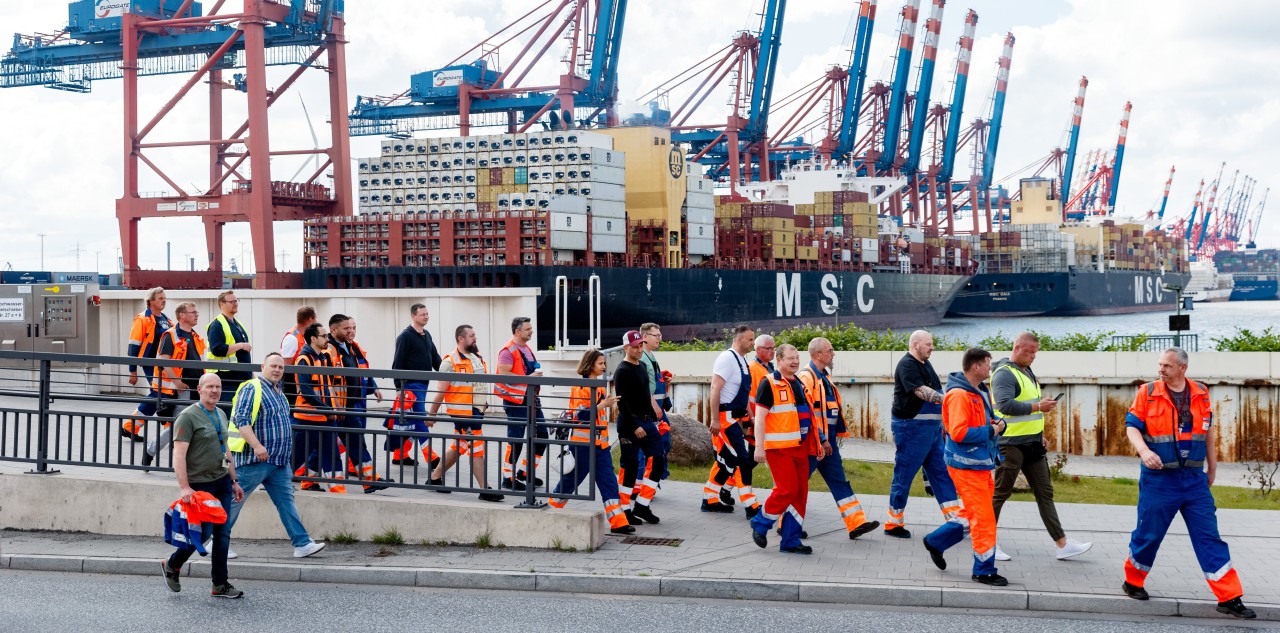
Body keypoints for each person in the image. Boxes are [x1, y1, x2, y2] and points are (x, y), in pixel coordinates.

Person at [1120, 348, 1256, 619]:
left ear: (1182, 368)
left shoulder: (1200, 393)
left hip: (1194, 480)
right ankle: (1133, 581)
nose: (1161, 369)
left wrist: (1213, 468)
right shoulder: (1147, 392)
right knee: (1149, 534)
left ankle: (1229, 597)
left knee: (1209, 536)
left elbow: (1207, 432)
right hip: (1159, 480)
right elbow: (1132, 426)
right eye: (1159, 364)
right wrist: (1144, 452)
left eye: (1167, 366)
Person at [990, 332, 1091, 561]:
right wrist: (1038, 406)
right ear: (1017, 347)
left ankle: (1062, 544)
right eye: (1030, 352)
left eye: (1036, 352)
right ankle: (986, 542)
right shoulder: (1004, 373)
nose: (1034, 356)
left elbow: (1029, 408)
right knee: (1000, 494)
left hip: (1032, 443)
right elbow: (1005, 405)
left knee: (1045, 493)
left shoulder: (1026, 370)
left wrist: (1040, 433)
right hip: (1010, 444)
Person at [224, 353, 326, 559]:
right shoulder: (253, 388)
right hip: (255, 460)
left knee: (286, 502)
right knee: (234, 501)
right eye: (273, 366)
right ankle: (215, 542)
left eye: (281, 367)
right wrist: (257, 446)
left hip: (278, 462)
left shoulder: (278, 391)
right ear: (263, 366)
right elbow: (241, 419)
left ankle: (302, 543)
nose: (277, 370)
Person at [921, 348, 1008, 587]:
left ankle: (936, 542)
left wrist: (996, 424)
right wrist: (992, 430)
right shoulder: (960, 395)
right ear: (976, 367)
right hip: (967, 466)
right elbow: (958, 433)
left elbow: (977, 423)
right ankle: (983, 570)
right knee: (984, 519)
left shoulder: (978, 391)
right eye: (988, 364)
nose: (991, 369)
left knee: (973, 515)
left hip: (979, 463)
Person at [159, 373, 245, 598]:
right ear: (199, 389)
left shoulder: (220, 413)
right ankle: (172, 564)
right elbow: (178, 455)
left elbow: (225, 449)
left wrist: (234, 481)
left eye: (218, 387)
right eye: (210, 387)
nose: (214, 391)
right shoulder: (187, 417)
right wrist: (185, 488)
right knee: (203, 533)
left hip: (222, 482)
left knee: (223, 534)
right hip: (199, 486)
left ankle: (220, 584)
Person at [797, 337, 880, 540]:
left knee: (840, 481)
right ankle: (786, 524)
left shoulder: (823, 377)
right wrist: (823, 439)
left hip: (827, 442)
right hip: (814, 442)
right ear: (818, 354)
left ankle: (856, 523)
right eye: (830, 350)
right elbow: (808, 413)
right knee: (798, 484)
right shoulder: (807, 378)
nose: (833, 353)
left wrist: (829, 439)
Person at [885, 330, 961, 538]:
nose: (932, 347)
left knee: (942, 474)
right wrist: (950, 401)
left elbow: (935, 391)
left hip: (932, 431)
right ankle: (894, 522)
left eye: (932, 343)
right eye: (928, 344)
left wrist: (944, 423)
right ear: (915, 344)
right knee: (905, 474)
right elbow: (921, 391)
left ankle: (955, 520)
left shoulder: (926, 363)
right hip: (912, 430)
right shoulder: (907, 364)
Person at [548, 348, 633, 534]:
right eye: (600, 363)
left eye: (604, 363)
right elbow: (580, 415)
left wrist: (604, 404)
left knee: (609, 481)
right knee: (572, 480)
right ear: (590, 365)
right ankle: (552, 508)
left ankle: (619, 522)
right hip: (582, 446)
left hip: (600, 446)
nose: (604, 366)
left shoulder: (598, 386)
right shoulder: (581, 387)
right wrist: (602, 405)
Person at [748, 344, 820, 555]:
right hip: (778, 449)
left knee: (800, 494)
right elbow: (760, 418)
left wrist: (817, 443)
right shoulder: (768, 383)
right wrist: (758, 447)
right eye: (790, 358)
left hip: (801, 448)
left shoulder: (798, 383)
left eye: (797, 358)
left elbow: (808, 417)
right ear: (778, 360)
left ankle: (791, 540)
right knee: (787, 489)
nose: (796, 361)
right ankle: (760, 522)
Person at [427, 324, 504, 502]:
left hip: (475, 411)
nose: (475, 338)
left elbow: (479, 385)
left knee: (459, 446)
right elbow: (441, 392)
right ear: (461, 339)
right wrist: (431, 415)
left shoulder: (476, 357)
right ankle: (485, 489)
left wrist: (483, 405)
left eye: (475, 335)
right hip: (463, 414)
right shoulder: (449, 362)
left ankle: (435, 478)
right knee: (477, 448)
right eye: (471, 336)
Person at [325, 314, 391, 493]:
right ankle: (307, 479)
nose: (350, 331)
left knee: (357, 442)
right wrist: (335, 405)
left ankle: (370, 481)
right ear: (334, 329)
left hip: (351, 405)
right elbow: (327, 381)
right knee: (325, 446)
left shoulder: (350, 347)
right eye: (346, 328)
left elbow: (363, 371)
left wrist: (373, 386)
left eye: (352, 328)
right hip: (337, 407)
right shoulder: (329, 349)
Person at [142, 302, 206, 468]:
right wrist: (177, 383)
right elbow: (164, 362)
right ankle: (151, 452)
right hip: (180, 390)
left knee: (193, 426)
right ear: (182, 315)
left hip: (196, 389)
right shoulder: (170, 335)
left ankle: (190, 463)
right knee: (179, 427)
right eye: (193, 312)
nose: (196, 314)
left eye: (196, 312)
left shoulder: (195, 336)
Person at [700, 325, 756, 513]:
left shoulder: (742, 361)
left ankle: (710, 498)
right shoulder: (727, 358)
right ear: (739, 340)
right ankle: (750, 505)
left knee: (727, 461)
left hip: (735, 418)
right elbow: (715, 388)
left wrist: (751, 416)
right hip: (725, 420)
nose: (753, 343)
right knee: (742, 460)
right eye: (750, 339)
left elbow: (743, 393)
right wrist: (715, 419)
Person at [613, 330, 665, 525]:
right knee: (630, 466)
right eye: (635, 347)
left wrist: (653, 418)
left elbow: (645, 396)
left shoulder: (642, 365)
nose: (638, 349)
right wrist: (634, 426)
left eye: (640, 345)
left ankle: (642, 505)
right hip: (630, 423)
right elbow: (622, 403)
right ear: (626, 347)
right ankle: (624, 509)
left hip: (646, 421)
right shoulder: (622, 371)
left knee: (658, 460)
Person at [494, 316, 549, 491]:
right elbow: (504, 375)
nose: (531, 331)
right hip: (515, 401)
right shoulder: (507, 350)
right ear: (518, 331)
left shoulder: (526, 349)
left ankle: (525, 472)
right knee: (515, 439)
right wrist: (529, 378)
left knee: (542, 435)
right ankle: (507, 478)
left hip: (531, 399)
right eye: (528, 329)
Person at [291, 323, 344, 493]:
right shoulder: (304, 360)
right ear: (313, 338)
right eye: (324, 336)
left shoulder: (321, 357)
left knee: (331, 453)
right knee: (297, 455)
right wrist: (326, 409)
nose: (327, 339)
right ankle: (276, 482)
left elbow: (326, 387)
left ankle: (337, 489)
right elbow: (306, 391)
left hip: (323, 417)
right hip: (307, 418)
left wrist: (332, 409)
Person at [389, 303, 442, 468]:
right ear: (413, 315)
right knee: (420, 419)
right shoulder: (405, 336)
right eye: (422, 314)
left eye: (427, 313)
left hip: (422, 384)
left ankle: (400, 455)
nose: (426, 316)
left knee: (410, 420)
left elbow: (435, 359)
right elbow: (397, 362)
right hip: (410, 385)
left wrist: (448, 374)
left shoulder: (427, 335)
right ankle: (432, 457)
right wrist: (399, 388)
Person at [123, 287, 172, 441]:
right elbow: (134, 345)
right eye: (160, 298)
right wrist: (133, 371)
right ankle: (168, 432)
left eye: (164, 298)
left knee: (163, 394)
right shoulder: (142, 319)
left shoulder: (166, 319)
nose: (163, 301)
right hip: (151, 363)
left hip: (166, 364)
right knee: (161, 394)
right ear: (151, 301)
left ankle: (131, 427)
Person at [206, 290, 252, 411]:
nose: (235, 304)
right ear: (222, 304)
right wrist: (240, 345)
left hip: (241, 378)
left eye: (236, 301)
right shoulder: (217, 325)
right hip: (227, 379)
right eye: (232, 301)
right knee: (227, 413)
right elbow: (217, 349)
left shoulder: (237, 323)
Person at [279, 306, 317, 401]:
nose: (316, 322)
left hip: (301, 381)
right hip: (292, 386)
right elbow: (286, 367)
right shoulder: (292, 338)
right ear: (310, 319)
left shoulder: (304, 336)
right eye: (315, 319)